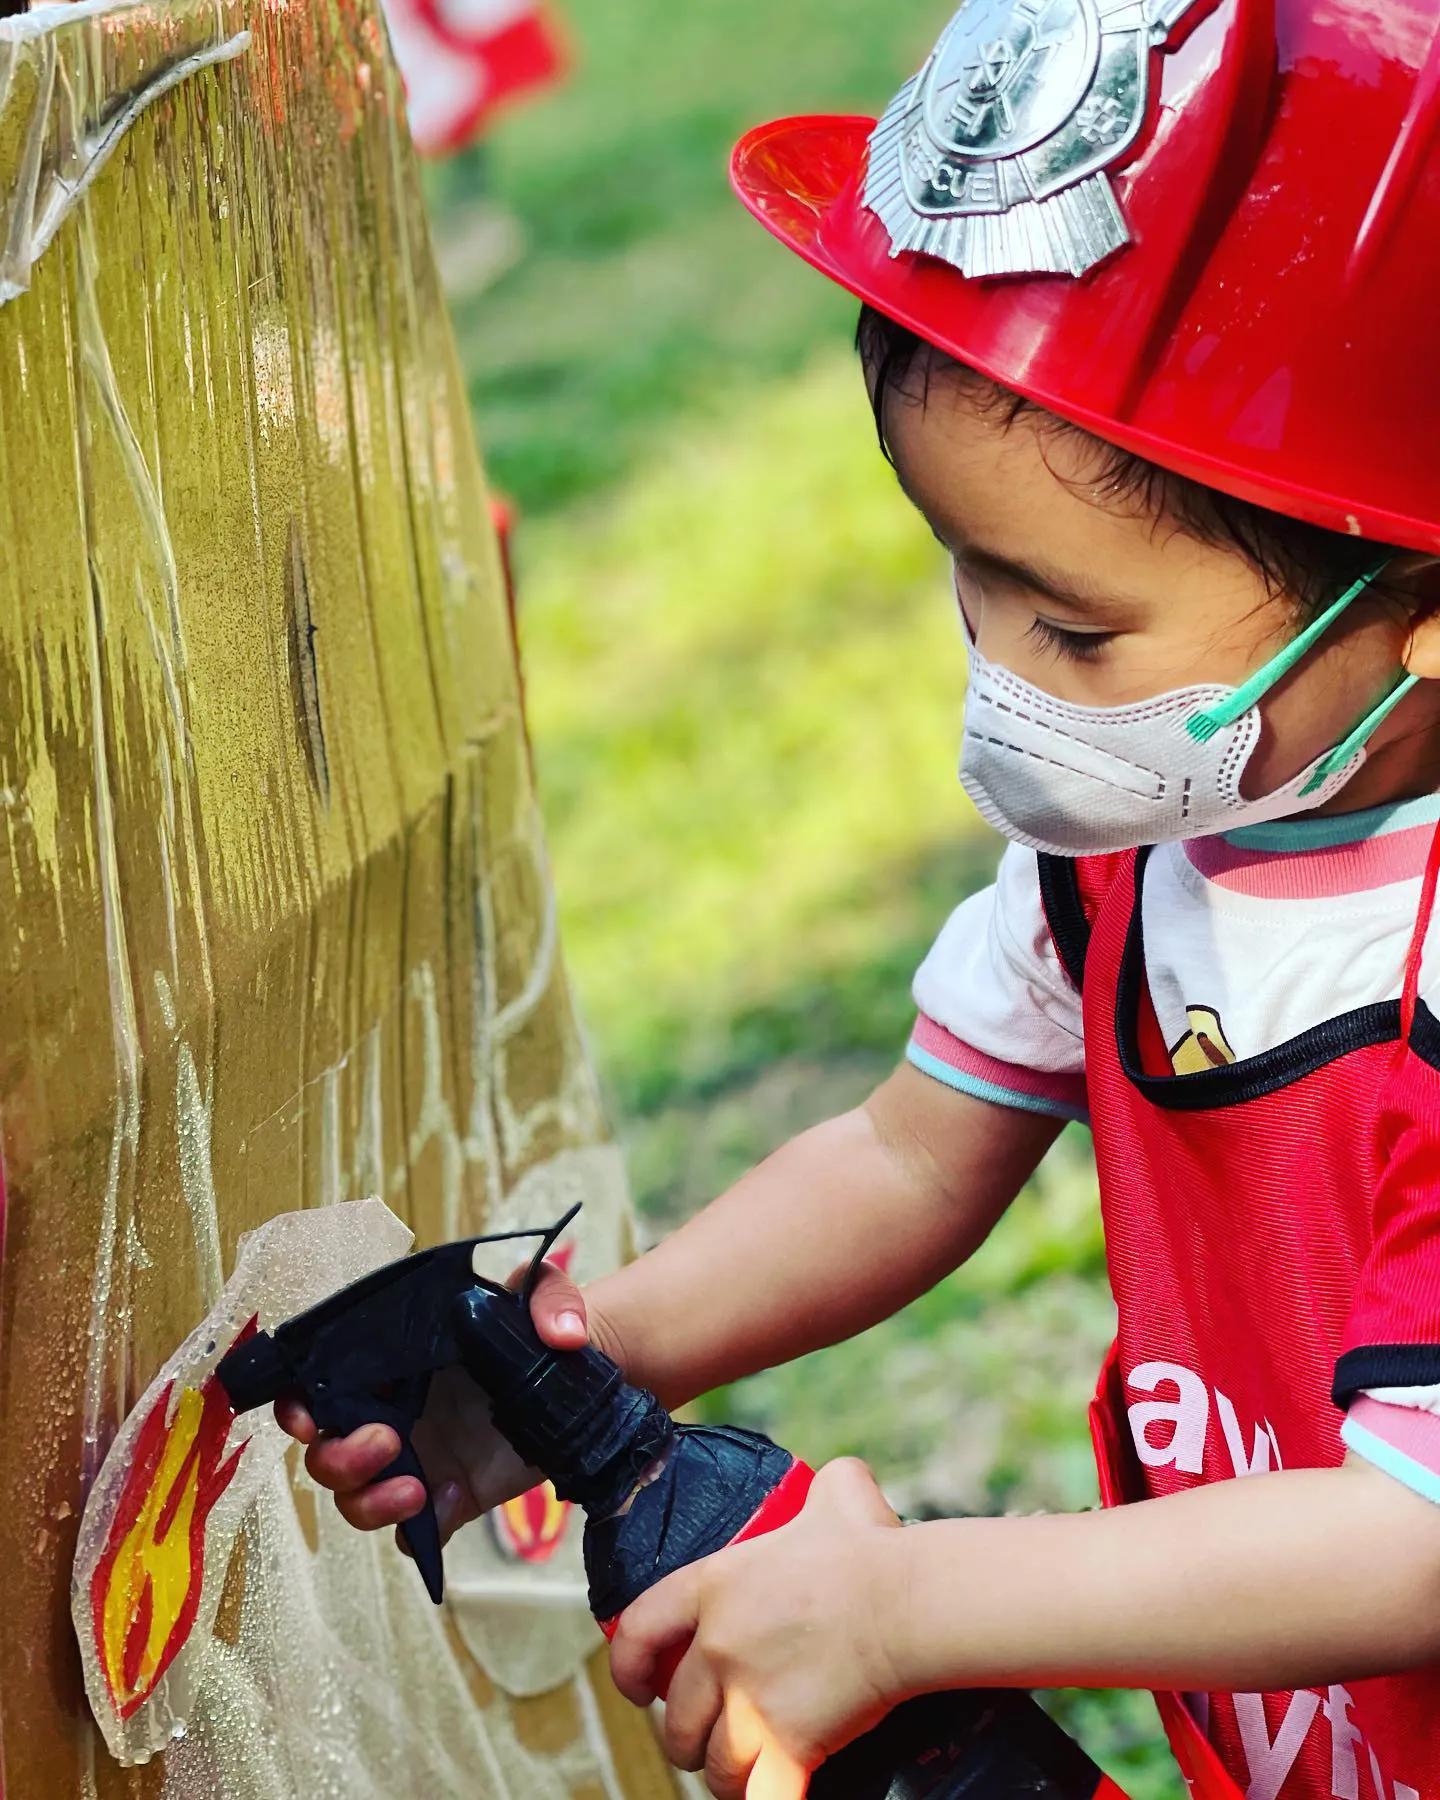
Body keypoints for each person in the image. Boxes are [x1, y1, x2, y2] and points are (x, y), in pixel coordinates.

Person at [279, 4, 1440, 1796]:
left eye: (1072, 627)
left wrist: (904, 1609)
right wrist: (571, 1365)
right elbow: (908, 1154)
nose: (999, 677)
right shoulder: (1126, 858)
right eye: (965, 581)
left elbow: (1413, 1534)